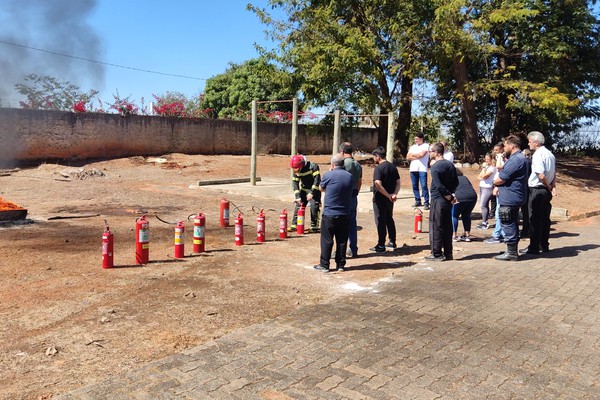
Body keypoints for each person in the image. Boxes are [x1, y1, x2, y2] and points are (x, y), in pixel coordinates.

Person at [313, 154, 354, 272]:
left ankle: (324, 265)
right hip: (345, 213)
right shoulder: (350, 176)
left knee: (327, 240)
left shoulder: (329, 175)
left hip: (330, 213)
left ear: (332, 165)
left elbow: (321, 188)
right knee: (342, 240)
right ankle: (340, 265)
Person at [492, 135, 528, 261]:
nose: (504, 147)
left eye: (506, 145)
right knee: (511, 221)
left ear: (512, 146)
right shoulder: (519, 158)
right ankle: (510, 249)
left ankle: (512, 253)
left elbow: (502, 177)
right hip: (514, 194)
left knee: (507, 221)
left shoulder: (515, 160)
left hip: (511, 196)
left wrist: (495, 182)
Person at [521, 131, 556, 255]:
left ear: (536, 142)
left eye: (530, 141)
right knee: (545, 219)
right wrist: (552, 186)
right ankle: (544, 244)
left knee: (534, 219)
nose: (528, 143)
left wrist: (548, 185)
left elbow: (540, 175)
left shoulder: (538, 155)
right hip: (546, 190)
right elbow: (553, 173)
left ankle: (534, 247)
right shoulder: (550, 154)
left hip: (537, 189)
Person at [426, 142, 459, 261]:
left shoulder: (435, 167)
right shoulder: (450, 165)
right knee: (447, 226)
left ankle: (437, 253)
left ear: (436, 152)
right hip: (447, 201)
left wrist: (448, 196)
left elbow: (439, 186)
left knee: (436, 226)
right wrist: (451, 195)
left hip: (438, 199)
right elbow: (456, 182)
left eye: (430, 151)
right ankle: (448, 253)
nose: (429, 153)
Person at [370, 146, 401, 253]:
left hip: (380, 199)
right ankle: (392, 241)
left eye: (374, 157)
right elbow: (398, 183)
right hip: (390, 199)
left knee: (380, 221)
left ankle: (381, 244)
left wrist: (387, 195)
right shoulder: (393, 167)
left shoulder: (378, 169)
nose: (373, 159)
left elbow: (378, 184)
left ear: (377, 156)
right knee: (389, 219)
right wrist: (394, 194)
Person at [339, 142, 362, 258]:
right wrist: (356, 192)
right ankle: (353, 248)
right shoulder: (357, 164)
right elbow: (359, 182)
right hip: (353, 195)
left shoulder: (343, 163)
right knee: (352, 223)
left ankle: (340, 250)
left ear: (342, 152)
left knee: (341, 223)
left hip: (343, 195)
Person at [289, 154, 321, 232]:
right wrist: (297, 197)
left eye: (297, 169)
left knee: (314, 207)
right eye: (294, 169)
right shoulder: (295, 170)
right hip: (303, 189)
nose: (296, 171)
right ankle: (294, 225)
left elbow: (317, 181)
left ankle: (314, 226)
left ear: (302, 165)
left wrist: (312, 193)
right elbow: (295, 183)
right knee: (299, 205)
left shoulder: (313, 167)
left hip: (314, 190)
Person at [485, 143, 507, 244]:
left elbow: (499, 168)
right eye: (494, 150)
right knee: (499, 210)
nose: (495, 152)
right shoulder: (499, 158)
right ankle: (502, 233)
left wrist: (499, 157)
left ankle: (497, 235)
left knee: (499, 211)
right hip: (497, 184)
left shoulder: (502, 158)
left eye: (497, 150)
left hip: (500, 186)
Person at [406, 132, 430, 209]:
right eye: (415, 139)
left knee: (423, 185)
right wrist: (417, 156)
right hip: (413, 169)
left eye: (417, 139)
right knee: (414, 185)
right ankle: (417, 200)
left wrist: (413, 155)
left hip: (422, 169)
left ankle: (426, 202)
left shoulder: (426, 145)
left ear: (421, 139)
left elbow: (422, 155)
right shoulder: (412, 147)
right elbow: (408, 157)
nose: (415, 140)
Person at [452, 170, 477, 242]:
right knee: (466, 215)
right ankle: (467, 235)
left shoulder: (452, 179)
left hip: (460, 197)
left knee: (454, 215)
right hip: (472, 197)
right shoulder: (465, 178)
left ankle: (454, 235)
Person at [476, 152, 496, 230]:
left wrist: (484, 169)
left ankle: (485, 223)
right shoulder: (487, 167)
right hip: (482, 186)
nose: (486, 161)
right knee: (484, 205)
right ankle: (485, 221)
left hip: (488, 187)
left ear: (492, 160)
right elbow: (479, 177)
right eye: (486, 159)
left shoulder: (492, 168)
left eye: (488, 159)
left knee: (483, 205)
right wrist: (483, 174)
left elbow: (484, 176)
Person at [519, 148, 533, 238]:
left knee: (525, 211)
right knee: (527, 210)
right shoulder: (532, 162)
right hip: (530, 187)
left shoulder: (526, 162)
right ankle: (527, 230)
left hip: (526, 187)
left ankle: (525, 230)